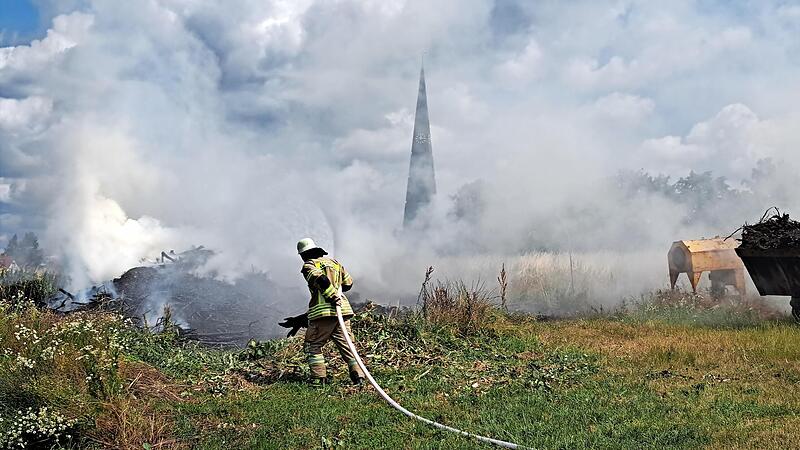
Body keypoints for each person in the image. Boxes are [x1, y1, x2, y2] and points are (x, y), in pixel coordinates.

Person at [279, 238, 365, 385]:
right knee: (347, 346)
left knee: (313, 345)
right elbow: (348, 284)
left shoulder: (309, 265)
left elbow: (321, 280)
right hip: (342, 313)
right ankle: (359, 377)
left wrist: (332, 296)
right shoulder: (335, 263)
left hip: (324, 315)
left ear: (303, 255)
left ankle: (318, 380)